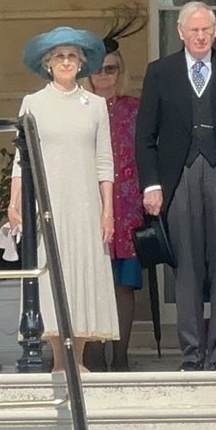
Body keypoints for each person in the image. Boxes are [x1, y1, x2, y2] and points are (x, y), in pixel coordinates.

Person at [135, 1, 216, 372]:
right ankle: (192, 354)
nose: (199, 36)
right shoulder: (161, 72)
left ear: (215, 32)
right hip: (179, 176)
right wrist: (151, 186)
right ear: (180, 32)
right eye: (193, 30)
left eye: (205, 30)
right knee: (187, 268)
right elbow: (145, 135)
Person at [8, 27, 118, 373]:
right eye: (59, 57)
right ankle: (58, 359)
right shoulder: (33, 104)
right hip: (49, 200)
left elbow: (105, 161)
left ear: (82, 63)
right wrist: (15, 204)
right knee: (53, 272)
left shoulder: (96, 105)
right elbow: (19, 158)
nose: (66, 62)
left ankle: (78, 358)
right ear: (47, 64)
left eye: (72, 56)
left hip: (86, 203)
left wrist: (108, 211)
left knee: (82, 272)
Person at [85, 40, 143, 372]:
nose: (104, 76)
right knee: (92, 281)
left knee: (123, 285)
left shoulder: (135, 108)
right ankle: (92, 355)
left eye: (111, 69)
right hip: (89, 204)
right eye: (97, 69)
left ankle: (120, 356)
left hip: (128, 208)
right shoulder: (80, 106)